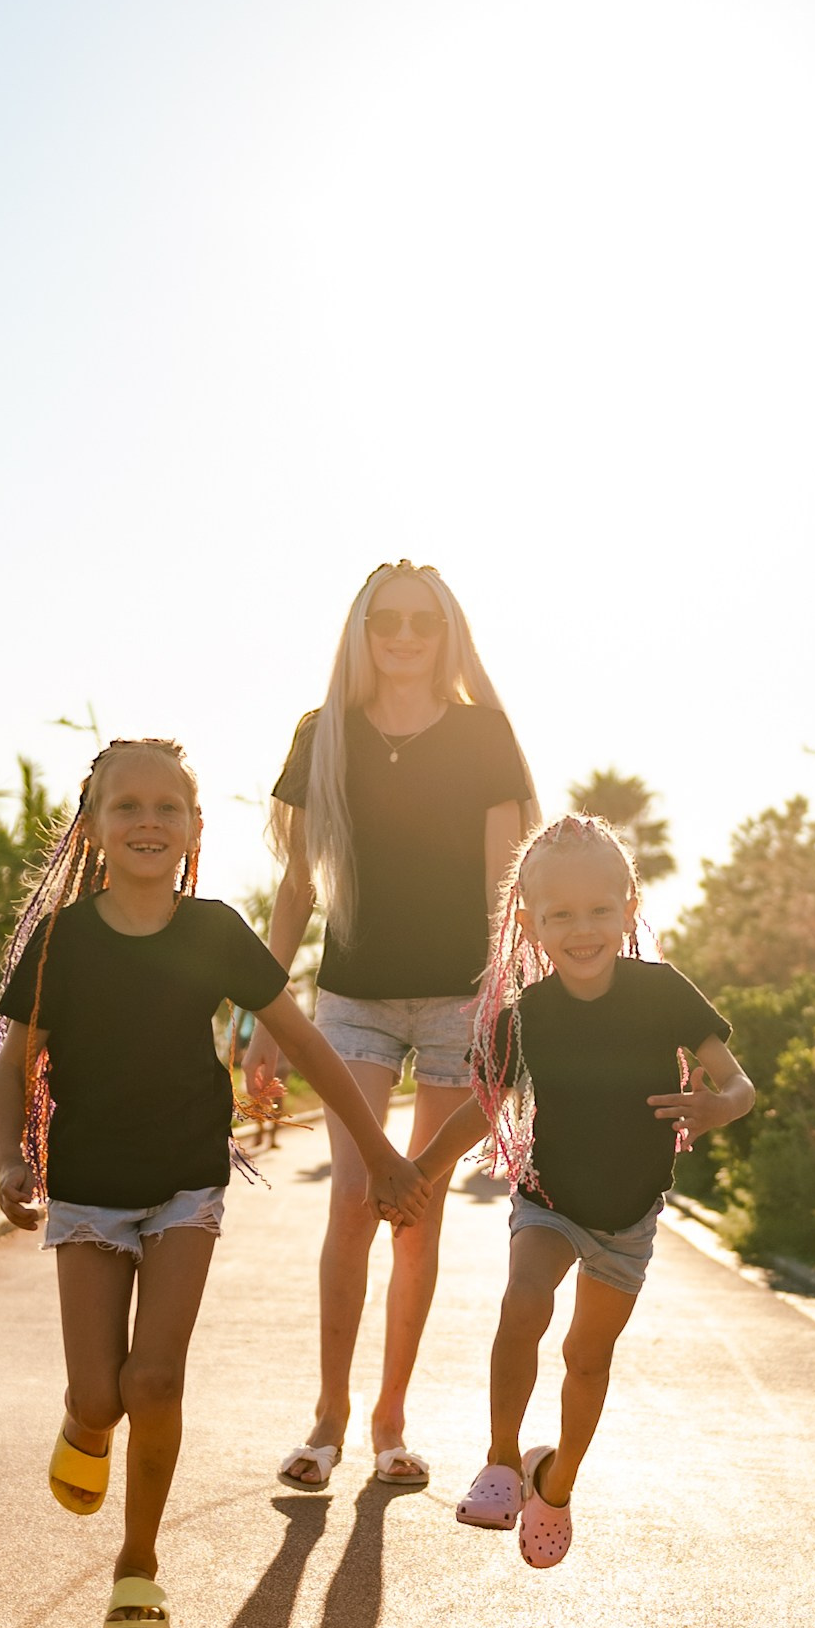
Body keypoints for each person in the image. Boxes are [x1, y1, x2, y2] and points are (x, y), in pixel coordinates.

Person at [0, 738, 421, 1628]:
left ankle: (136, 1564)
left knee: (156, 1377)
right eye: (127, 806)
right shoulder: (61, 942)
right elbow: (14, 1062)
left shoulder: (214, 930)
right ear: (94, 828)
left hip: (186, 1181)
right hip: (87, 1192)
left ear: (192, 827)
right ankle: (85, 1423)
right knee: (100, 1396)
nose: (149, 820)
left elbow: (304, 1043)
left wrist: (379, 1150)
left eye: (168, 807)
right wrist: (7, 1159)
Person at [246, 559, 535, 1489]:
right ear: (361, 632)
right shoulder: (322, 735)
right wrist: (263, 1016)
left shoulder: (486, 735)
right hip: (354, 999)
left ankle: (390, 1422)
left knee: (419, 1213)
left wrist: (506, 1016)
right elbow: (296, 887)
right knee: (352, 1204)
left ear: (445, 632)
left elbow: (505, 889)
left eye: (421, 619)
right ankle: (327, 1418)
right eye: (386, 620)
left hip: (462, 1001)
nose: (403, 634)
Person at [411, 814, 755, 1568]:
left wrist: (720, 1105)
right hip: (551, 1200)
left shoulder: (662, 993)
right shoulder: (527, 1017)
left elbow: (739, 1082)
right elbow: (483, 1107)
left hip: (629, 1220)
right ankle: (503, 1460)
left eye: (600, 909)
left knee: (587, 1358)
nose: (583, 928)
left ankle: (555, 1482)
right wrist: (419, 1175)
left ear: (629, 908)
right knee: (523, 1302)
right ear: (530, 925)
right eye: (561, 915)